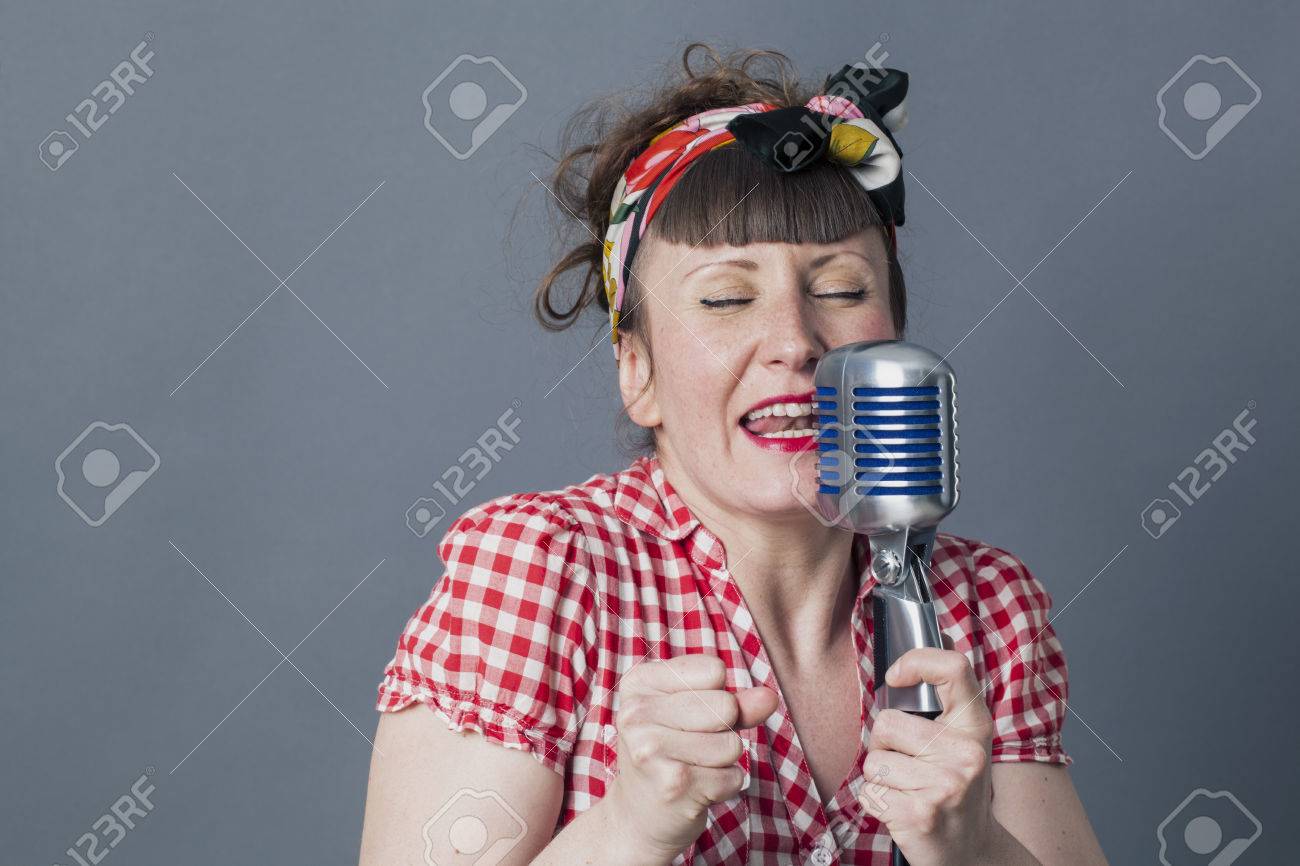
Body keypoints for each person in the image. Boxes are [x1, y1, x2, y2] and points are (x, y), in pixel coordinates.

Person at [359, 43, 1108, 865]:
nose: (795, 341)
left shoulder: (986, 608)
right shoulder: (539, 576)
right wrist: (631, 827)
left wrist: (971, 847)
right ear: (638, 372)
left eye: (841, 290)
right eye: (725, 297)